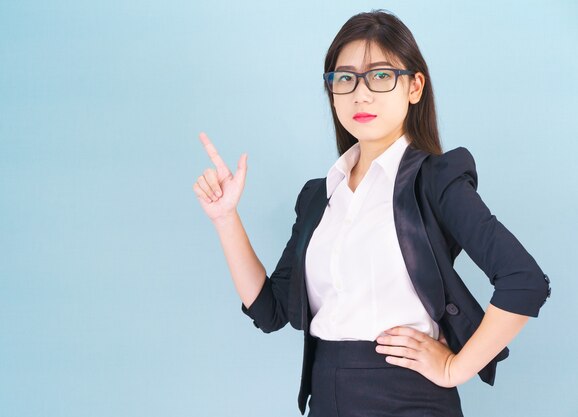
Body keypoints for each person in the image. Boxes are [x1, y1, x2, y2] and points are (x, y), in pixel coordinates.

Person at [192, 9, 551, 417]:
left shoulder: (435, 180)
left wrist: (455, 368)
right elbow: (271, 311)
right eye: (345, 78)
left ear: (415, 86)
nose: (360, 94)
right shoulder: (318, 196)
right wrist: (225, 218)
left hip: (409, 399)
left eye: (380, 75)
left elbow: (525, 281)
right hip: (327, 397)